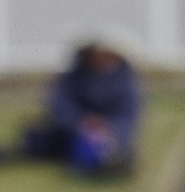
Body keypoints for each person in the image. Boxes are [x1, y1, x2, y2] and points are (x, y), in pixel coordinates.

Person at [21, 38, 143, 174]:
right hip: (73, 133)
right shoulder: (72, 78)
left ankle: (110, 162)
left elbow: (128, 117)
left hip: (109, 137)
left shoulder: (126, 83)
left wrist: (108, 128)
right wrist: (81, 121)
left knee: (107, 150)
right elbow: (58, 104)